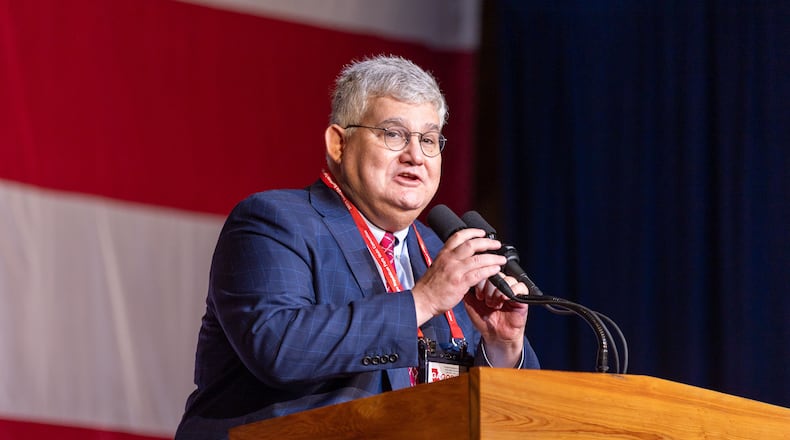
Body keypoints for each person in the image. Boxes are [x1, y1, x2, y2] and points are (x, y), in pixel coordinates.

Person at [175, 55, 539, 439]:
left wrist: (502, 346)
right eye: (393, 134)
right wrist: (423, 301)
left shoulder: (439, 252)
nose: (415, 155)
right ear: (339, 143)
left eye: (429, 139)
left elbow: (520, 417)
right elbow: (278, 347)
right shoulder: (274, 222)